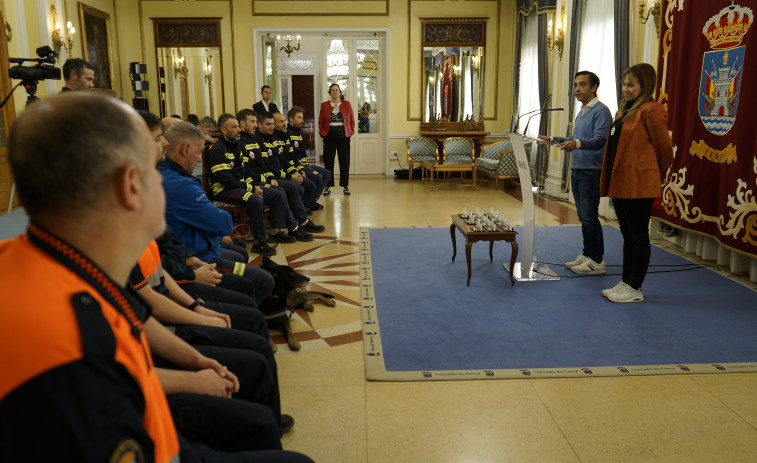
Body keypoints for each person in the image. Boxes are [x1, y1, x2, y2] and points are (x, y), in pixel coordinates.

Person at [0, 92, 179, 460]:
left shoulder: (44, 259)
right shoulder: (75, 354)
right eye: (154, 169)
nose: (162, 182)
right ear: (131, 186)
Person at [599, 63, 673, 303]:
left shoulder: (651, 109)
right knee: (627, 234)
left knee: (638, 235)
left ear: (645, 85)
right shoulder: (625, 109)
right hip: (620, 180)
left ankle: (635, 287)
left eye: (631, 85)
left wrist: (653, 175)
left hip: (639, 182)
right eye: (623, 84)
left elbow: (665, 150)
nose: (626, 89)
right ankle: (625, 281)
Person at [539, 71, 613, 275]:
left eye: (582, 85)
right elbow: (576, 138)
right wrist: (553, 139)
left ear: (594, 87)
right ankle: (588, 254)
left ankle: (597, 261)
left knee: (590, 217)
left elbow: (600, 140)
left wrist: (576, 143)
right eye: (575, 85)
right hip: (578, 169)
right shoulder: (582, 111)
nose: (577, 89)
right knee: (583, 216)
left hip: (591, 171)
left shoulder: (601, 111)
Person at [287, 105, 331, 209]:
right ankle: (303, 204)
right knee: (318, 177)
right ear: (291, 119)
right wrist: (300, 168)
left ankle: (312, 201)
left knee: (327, 173)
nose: (302, 120)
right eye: (299, 118)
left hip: (303, 165)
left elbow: (301, 153)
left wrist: (305, 163)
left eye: (302, 118)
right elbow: (290, 156)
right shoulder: (287, 134)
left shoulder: (297, 132)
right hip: (296, 168)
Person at [318, 83, 355, 195]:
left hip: (344, 137)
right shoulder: (324, 105)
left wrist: (351, 131)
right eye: (333, 90)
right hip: (329, 138)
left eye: (337, 90)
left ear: (340, 92)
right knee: (328, 162)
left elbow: (352, 120)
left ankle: (345, 186)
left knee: (344, 162)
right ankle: (327, 186)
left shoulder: (346, 104)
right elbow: (321, 122)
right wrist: (323, 133)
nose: (335, 92)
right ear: (330, 92)